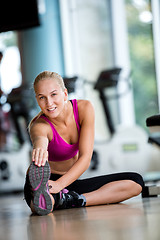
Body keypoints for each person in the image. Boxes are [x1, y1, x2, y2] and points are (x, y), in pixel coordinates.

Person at [24, 71, 144, 215]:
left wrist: (60, 185)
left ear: (65, 94)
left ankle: (73, 199)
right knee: (44, 203)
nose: (49, 103)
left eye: (53, 94)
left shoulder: (84, 108)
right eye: (42, 97)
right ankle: (47, 199)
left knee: (135, 182)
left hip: (68, 182)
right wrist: (40, 149)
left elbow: (85, 158)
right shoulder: (39, 126)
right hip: (47, 183)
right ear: (37, 99)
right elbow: (40, 140)